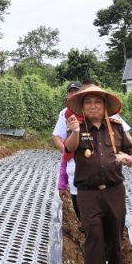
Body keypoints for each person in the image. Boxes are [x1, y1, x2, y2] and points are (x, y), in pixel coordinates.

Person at [64, 84, 132, 264]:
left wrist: (130, 158)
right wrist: (76, 132)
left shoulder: (116, 128)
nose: (93, 106)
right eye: (88, 102)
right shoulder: (77, 127)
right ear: (83, 107)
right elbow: (69, 148)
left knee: (115, 235)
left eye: (98, 102)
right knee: (94, 236)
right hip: (88, 194)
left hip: (115, 191)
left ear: (105, 106)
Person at [52, 82, 85, 217]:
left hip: (91, 164)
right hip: (73, 164)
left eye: (76, 91)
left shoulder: (91, 110)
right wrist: (68, 151)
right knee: (78, 202)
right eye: (70, 91)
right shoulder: (65, 113)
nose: (73, 94)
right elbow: (56, 137)